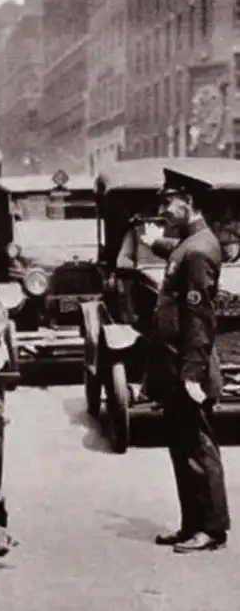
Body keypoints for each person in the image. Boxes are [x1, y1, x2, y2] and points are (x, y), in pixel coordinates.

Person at [144, 168, 230, 553]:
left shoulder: (197, 250)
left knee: (198, 449)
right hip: (175, 364)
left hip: (188, 366)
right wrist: (155, 242)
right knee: (181, 447)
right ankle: (191, 524)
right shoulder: (189, 243)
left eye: (168, 201)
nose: (163, 209)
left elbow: (199, 318)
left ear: (188, 202)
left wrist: (192, 374)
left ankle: (211, 529)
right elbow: (177, 253)